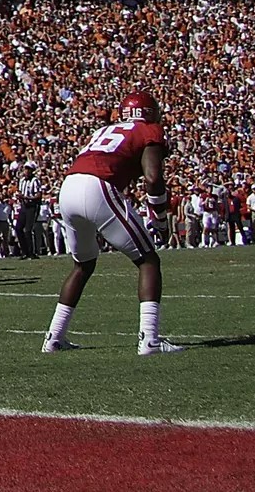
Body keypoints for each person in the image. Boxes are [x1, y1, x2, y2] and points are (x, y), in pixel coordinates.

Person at [44, 89, 182, 357]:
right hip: (98, 185)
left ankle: (54, 338)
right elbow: (153, 178)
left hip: (68, 186)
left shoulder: (105, 130)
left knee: (83, 265)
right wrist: (160, 218)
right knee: (148, 260)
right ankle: (150, 341)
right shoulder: (149, 130)